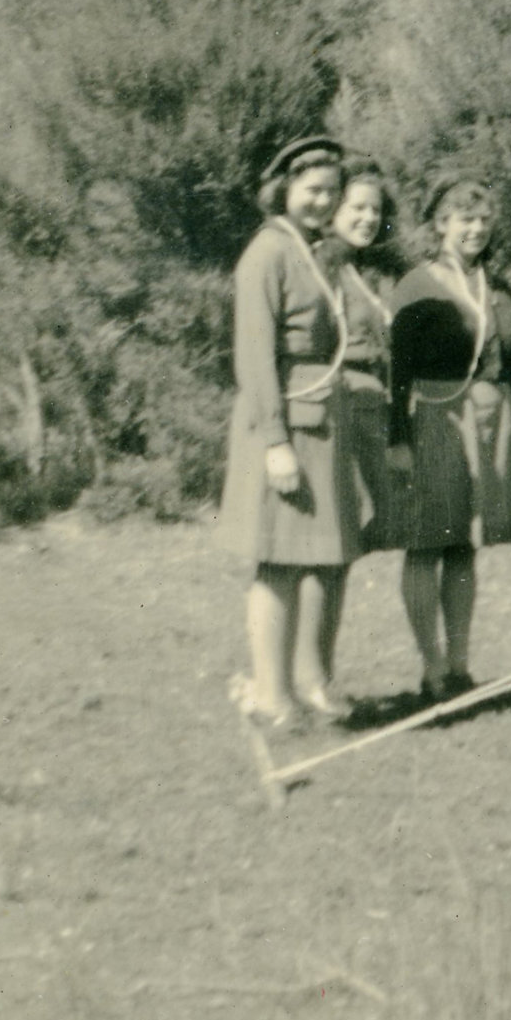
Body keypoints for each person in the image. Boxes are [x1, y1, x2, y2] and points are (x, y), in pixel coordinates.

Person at [218, 133, 363, 736]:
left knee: (328, 561)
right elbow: (254, 358)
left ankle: (313, 683)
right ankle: (270, 695)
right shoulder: (266, 254)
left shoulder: (320, 252)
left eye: (331, 191)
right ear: (284, 191)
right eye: (311, 191)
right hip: (281, 424)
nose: (322, 202)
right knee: (277, 563)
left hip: (326, 424)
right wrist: (275, 443)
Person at [385, 172, 511, 700]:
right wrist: (397, 436)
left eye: (484, 219)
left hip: (489, 422)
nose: (476, 228)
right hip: (433, 420)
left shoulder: (500, 288)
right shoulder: (416, 285)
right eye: (465, 218)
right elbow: (395, 371)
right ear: (441, 224)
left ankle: (462, 663)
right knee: (427, 543)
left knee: (466, 545)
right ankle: (432, 666)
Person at [329, 155, 406, 559]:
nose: (368, 218)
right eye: (357, 207)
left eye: (375, 209)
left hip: (382, 399)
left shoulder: (382, 271)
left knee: (391, 520)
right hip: (346, 397)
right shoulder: (324, 268)